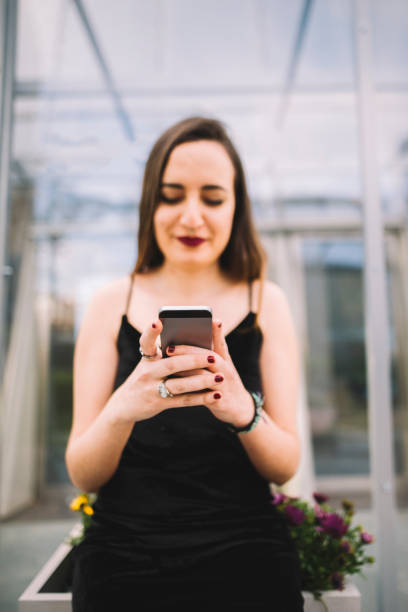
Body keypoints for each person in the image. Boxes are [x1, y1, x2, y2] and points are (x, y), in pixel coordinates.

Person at [66, 116, 304, 611]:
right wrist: (122, 408)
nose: (192, 216)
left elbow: (285, 466)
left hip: (247, 549)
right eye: (172, 195)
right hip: (124, 552)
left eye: (213, 198)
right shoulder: (112, 303)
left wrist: (243, 409)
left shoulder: (268, 302)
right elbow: (83, 474)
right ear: (150, 203)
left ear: (236, 207)